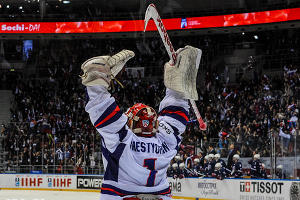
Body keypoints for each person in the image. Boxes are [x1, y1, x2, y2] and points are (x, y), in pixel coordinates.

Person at [82, 46, 202, 200]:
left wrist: (96, 77)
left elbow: (102, 110)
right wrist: (178, 88)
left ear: (130, 122)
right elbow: (175, 111)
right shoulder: (168, 139)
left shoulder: (122, 138)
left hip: (121, 196)